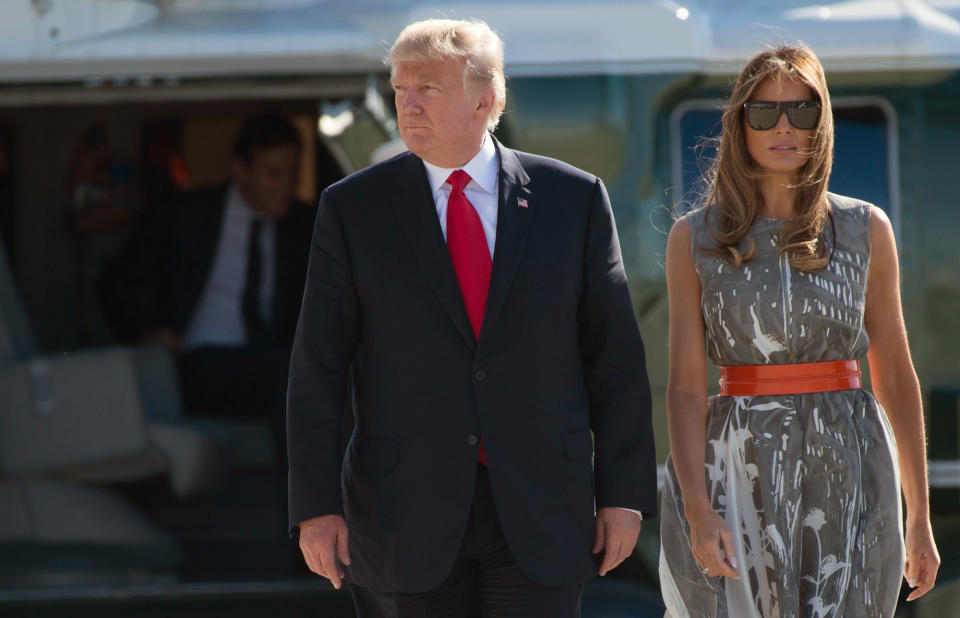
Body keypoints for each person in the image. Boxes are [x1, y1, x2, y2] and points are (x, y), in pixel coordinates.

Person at [287, 18, 657, 618]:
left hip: (541, 511)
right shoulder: (352, 209)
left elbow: (614, 361)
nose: (406, 104)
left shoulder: (573, 199)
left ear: (486, 99)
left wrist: (625, 495)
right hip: (402, 515)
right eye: (399, 88)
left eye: (427, 88)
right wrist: (315, 506)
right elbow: (318, 368)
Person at [659, 45, 940, 617]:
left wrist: (920, 515)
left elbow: (895, 373)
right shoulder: (695, 237)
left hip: (851, 459)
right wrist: (697, 508)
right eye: (764, 113)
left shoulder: (865, 228)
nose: (784, 127)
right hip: (738, 469)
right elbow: (687, 387)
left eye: (803, 111)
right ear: (740, 125)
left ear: (824, 120)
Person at [99, 114, 315, 456]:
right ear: (241, 169)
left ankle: (311, 502)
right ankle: (305, 505)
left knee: (305, 375)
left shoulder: (306, 224)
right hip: (200, 361)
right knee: (289, 375)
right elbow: (115, 280)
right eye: (274, 173)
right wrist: (147, 332)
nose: (286, 185)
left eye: (293, 173)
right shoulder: (187, 215)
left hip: (272, 362)